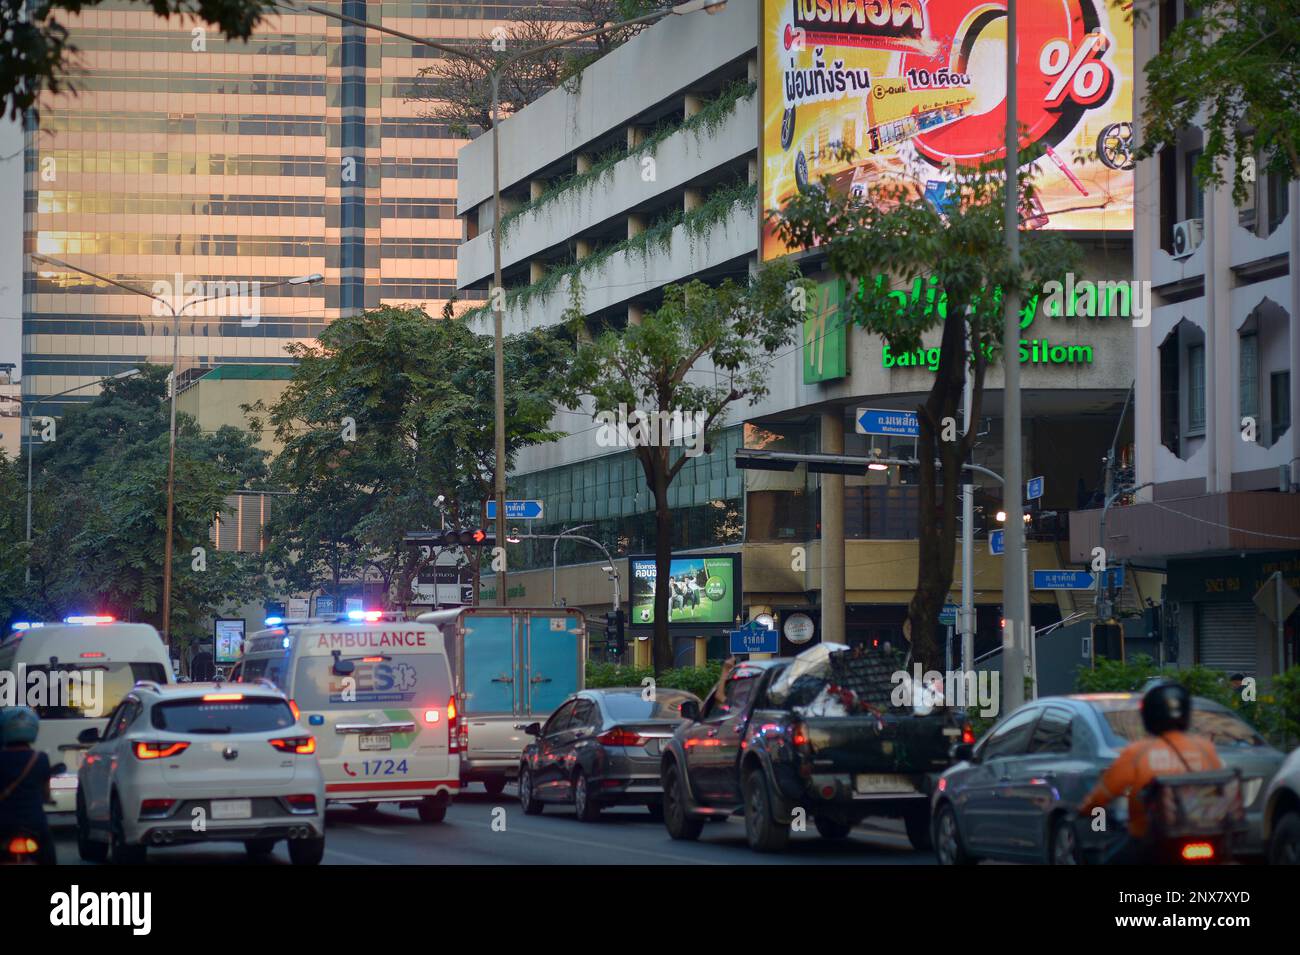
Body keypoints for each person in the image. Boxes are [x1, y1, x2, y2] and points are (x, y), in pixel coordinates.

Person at [1078, 680, 1222, 864]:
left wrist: (1085, 809)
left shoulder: (1137, 753)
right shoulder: (1205, 749)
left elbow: (1103, 795)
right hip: (1206, 834)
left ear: (1148, 716)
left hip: (1151, 841)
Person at [0, 707, 56, 865]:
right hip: (34, 823)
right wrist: (48, 799)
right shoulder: (41, 758)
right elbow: (46, 793)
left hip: (3, 823)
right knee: (48, 853)